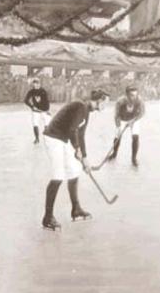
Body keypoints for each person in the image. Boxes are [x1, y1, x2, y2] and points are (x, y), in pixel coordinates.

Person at [41, 89, 110, 230]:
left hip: (63, 138)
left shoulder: (86, 111)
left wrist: (84, 158)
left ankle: (76, 209)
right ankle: (47, 218)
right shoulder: (80, 106)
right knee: (58, 176)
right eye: (105, 103)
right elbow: (72, 130)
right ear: (99, 100)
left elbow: (80, 134)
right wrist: (77, 149)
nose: (105, 106)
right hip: (53, 137)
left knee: (73, 171)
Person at [107, 86, 145, 167]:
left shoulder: (139, 100)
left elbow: (142, 113)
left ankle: (134, 158)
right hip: (122, 119)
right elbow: (116, 115)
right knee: (118, 136)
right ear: (126, 95)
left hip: (134, 119)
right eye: (132, 95)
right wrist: (118, 126)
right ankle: (114, 153)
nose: (134, 97)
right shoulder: (120, 101)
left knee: (135, 136)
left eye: (136, 95)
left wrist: (133, 121)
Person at [24, 79, 50, 144]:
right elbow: (26, 100)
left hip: (44, 110)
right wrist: (32, 106)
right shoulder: (31, 91)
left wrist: (47, 110)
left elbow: (47, 102)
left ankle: (47, 138)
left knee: (47, 123)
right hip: (36, 111)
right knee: (35, 124)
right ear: (33, 85)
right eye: (35, 84)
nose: (36, 86)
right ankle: (37, 138)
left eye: (38, 84)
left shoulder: (43, 91)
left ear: (40, 84)